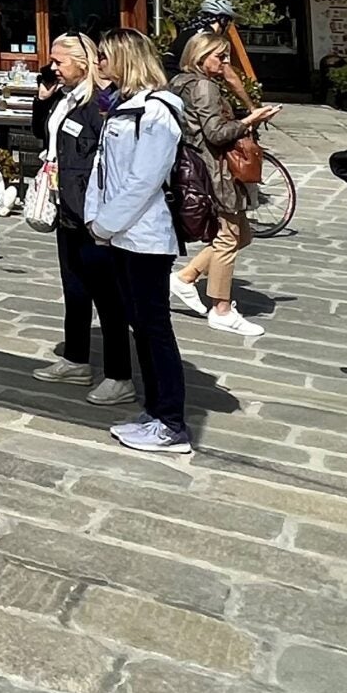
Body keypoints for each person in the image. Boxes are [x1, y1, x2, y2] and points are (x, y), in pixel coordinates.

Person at [87, 30, 193, 455]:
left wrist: (104, 224)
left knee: (154, 328)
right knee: (140, 326)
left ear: (127, 58)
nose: (99, 64)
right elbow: (105, 171)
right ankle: (155, 411)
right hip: (121, 235)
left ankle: (171, 421)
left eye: (105, 56)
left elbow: (143, 180)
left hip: (144, 236)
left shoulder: (156, 112)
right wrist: (99, 220)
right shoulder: (122, 107)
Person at [31, 34, 134, 406]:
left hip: (92, 212)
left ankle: (119, 375)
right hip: (67, 208)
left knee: (108, 296)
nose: (53, 68)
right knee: (73, 287)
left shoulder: (100, 102)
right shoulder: (65, 97)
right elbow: (43, 135)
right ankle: (76, 358)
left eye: (60, 61)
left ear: (83, 61)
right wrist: (42, 102)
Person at [168, 28, 278, 340]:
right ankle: (222, 309)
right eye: (220, 56)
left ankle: (186, 277)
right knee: (229, 237)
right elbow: (216, 133)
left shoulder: (180, 82)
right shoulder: (204, 87)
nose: (225, 61)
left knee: (241, 234)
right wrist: (249, 120)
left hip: (200, 167)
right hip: (216, 171)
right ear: (201, 57)